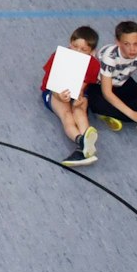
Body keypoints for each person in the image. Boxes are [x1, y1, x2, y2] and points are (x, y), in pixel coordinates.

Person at [43, 25, 102, 166]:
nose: (78, 51)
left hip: (77, 92)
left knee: (80, 112)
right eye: (75, 46)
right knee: (67, 115)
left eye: (84, 50)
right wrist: (59, 96)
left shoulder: (93, 64)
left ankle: (84, 147)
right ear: (70, 42)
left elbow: (84, 85)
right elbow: (52, 82)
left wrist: (78, 98)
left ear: (92, 52)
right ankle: (81, 141)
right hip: (54, 91)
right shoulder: (59, 56)